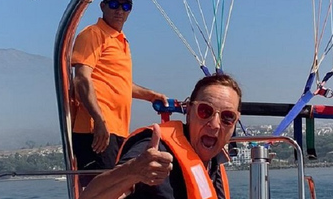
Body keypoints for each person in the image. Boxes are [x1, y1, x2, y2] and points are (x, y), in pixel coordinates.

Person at [80, 74, 242, 199]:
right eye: (205, 111)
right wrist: (133, 171)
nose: (214, 124)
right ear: (189, 112)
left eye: (227, 117)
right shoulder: (154, 149)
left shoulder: (215, 164)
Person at [72, 0, 168, 175]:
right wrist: (99, 120)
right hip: (95, 130)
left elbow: (119, 84)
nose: (119, 10)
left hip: (116, 130)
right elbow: (82, 78)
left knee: (114, 188)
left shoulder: (120, 40)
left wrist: (150, 96)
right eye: (114, 4)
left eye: (125, 6)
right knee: (101, 190)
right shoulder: (93, 34)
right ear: (102, 6)